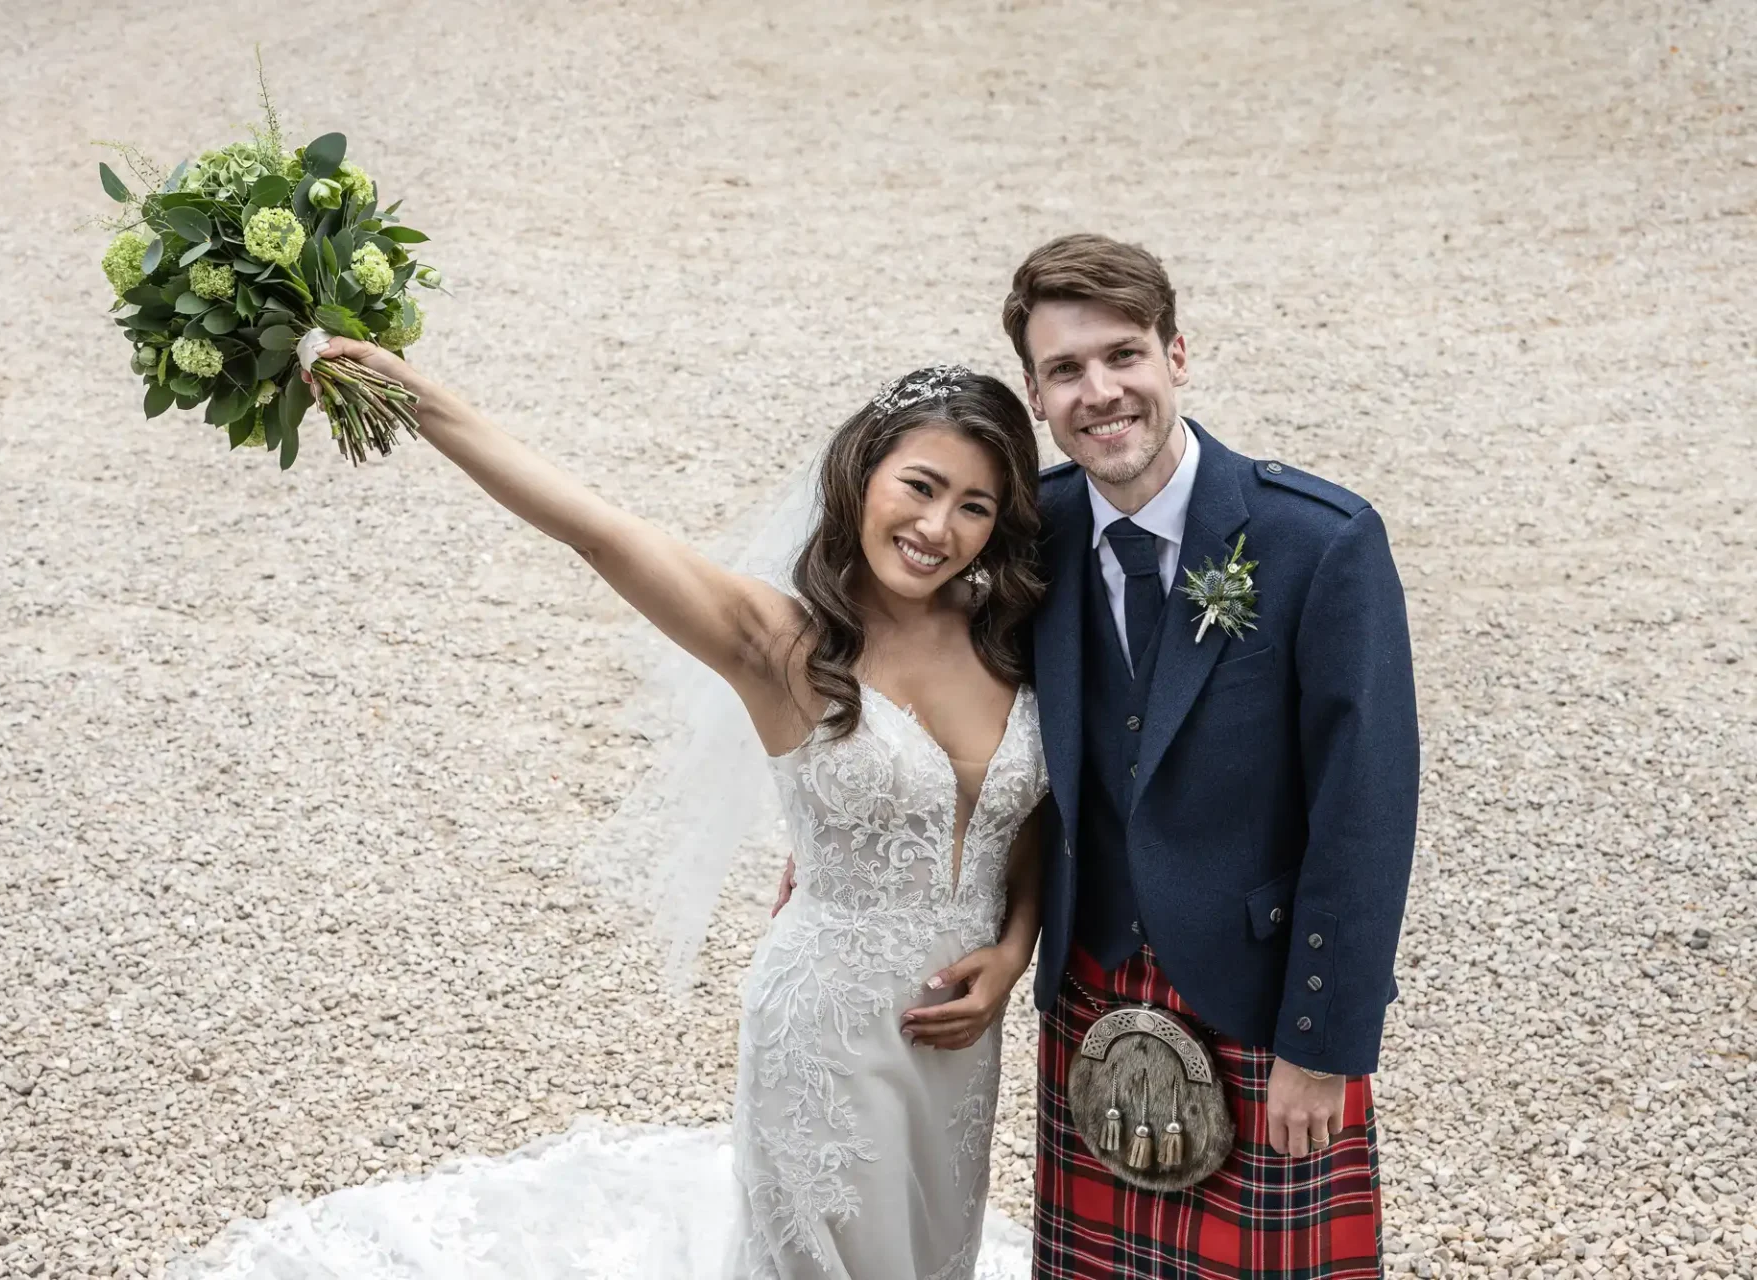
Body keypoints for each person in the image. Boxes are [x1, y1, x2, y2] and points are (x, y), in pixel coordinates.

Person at [173, 350, 1053, 1280]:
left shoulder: (1008, 627)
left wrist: (1015, 947)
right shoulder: (781, 644)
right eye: (918, 486)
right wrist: (412, 394)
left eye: (973, 506)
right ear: (862, 472)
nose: (935, 527)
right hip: (827, 1037)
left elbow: (1021, 816)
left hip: (960, 1047)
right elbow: (595, 532)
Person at [1003, 234, 1420, 1280]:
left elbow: (1364, 809)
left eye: (1124, 354)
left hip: (1261, 999)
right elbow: (938, 684)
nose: (1100, 391)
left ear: (1176, 355)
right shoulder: (1031, 532)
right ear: (1036, 394)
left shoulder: (1317, 541)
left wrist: (1322, 1040)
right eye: (1066, 369)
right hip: (1093, 986)